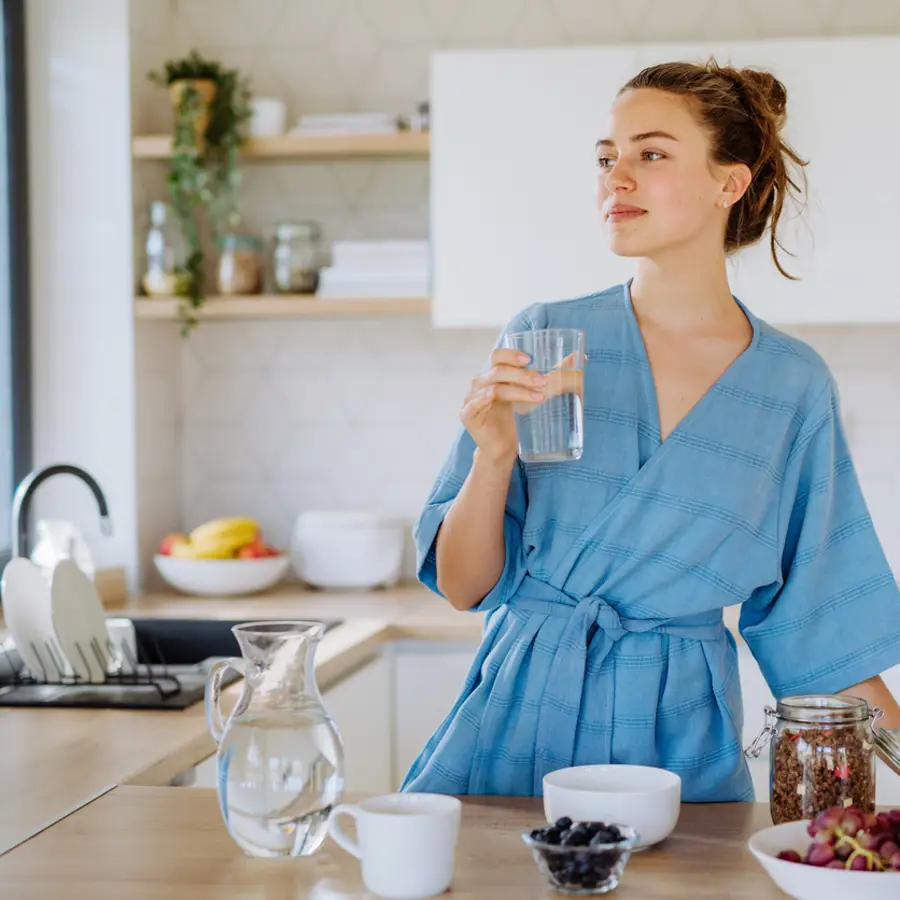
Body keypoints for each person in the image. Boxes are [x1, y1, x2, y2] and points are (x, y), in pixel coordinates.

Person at [400, 59, 900, 802]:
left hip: (677, 750)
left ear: (729, 183)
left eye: (651, 154)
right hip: (517, 728)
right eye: (607, 158)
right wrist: (495, 456)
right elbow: (466, 587)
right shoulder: (547, 338)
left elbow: (823, 636)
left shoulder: (791, 386)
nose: (616, 178)